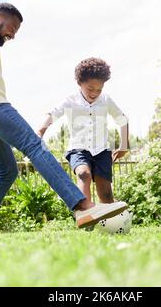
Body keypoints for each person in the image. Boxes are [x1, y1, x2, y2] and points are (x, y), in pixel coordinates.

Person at [0, 3, 127, 236]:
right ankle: (82, 206)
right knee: (34, 145)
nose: (13, 35)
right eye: (12, 27)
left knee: (7, 171)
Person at [37, 57, 129, 208]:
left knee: (105, 190)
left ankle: (109, 219)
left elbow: (122, 120)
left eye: (99, 89)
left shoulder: (106, 100)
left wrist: (124, 146)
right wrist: (41, 131)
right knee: (83, 174)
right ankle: (85, 212)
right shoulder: (70, 101)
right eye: (90, 89)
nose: (95, 93)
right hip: (78, 148)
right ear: (80, 83)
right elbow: (52, 114)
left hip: (102, 150)